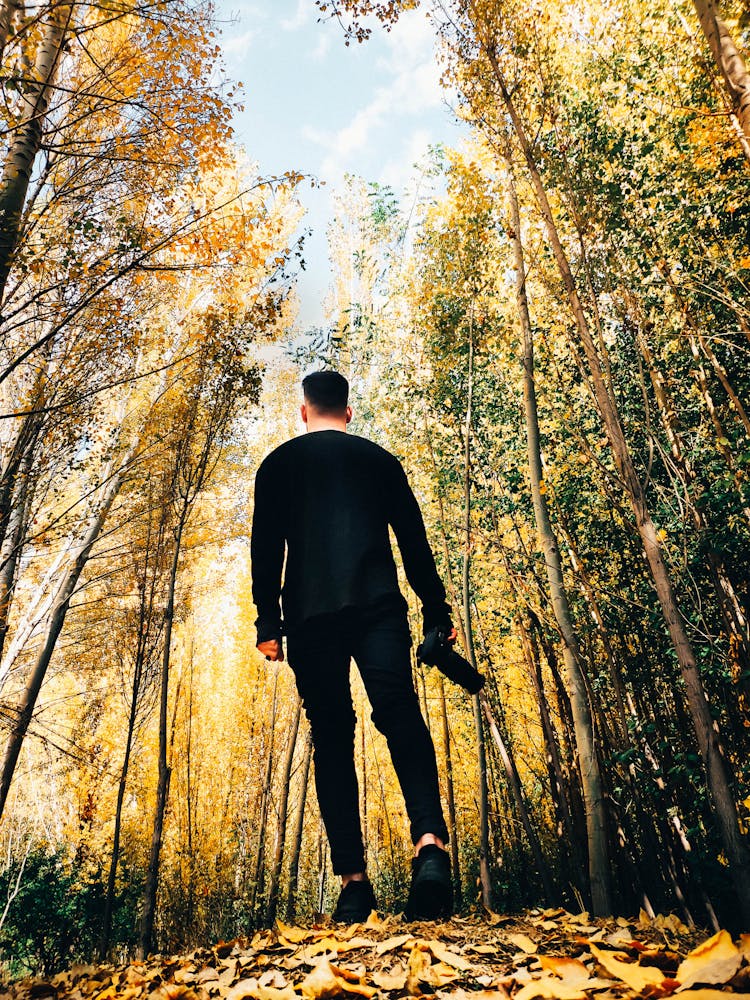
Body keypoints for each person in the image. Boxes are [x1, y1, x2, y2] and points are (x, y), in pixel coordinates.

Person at [251, 370, 456, 923]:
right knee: (400, 714)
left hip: (310, 617)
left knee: (333, 738)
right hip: (378, 608)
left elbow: (266, 549)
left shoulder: (276, 466)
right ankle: (430, 848)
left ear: (303, 411)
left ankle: (353, 885)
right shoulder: (379, 461)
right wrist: (437, 611)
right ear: (347, 410)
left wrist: (266, 621)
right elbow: (414, 542)